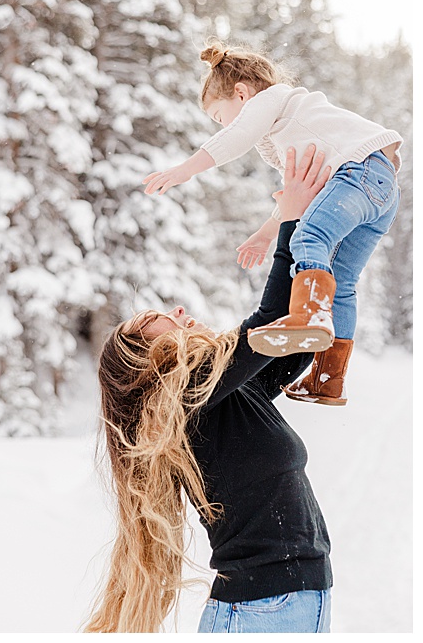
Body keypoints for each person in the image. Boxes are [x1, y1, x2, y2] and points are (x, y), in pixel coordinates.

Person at [89, 144, 337, 633]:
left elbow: (289, 350)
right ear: (146, 363)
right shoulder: (186, 398)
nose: (179, 312)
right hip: (261, 609)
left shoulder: (223, 397)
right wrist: (288, 223)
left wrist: (320, 241)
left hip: (282, 603)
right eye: (160, 320)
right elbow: (268, 326)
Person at [140, 43, 401, 405]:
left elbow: (236, 138)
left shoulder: (272, 99)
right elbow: (295, 194)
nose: (224, 125)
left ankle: (308, 315)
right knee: (341, 282)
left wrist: (184, 169)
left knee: (308, 237)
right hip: (381, 192)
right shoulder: (285, 128)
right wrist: (265, 235)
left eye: (219, 116)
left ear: (241, 94)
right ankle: (328, 377)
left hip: (360, 173)